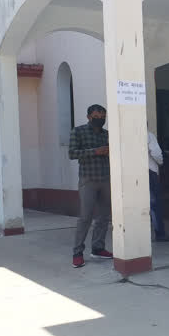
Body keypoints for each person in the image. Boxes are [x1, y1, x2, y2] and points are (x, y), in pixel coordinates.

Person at [68, 104, 113, 268]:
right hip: (88, 179)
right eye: (96, 116)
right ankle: (77, 252)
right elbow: (72, 153)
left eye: (103, 117)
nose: (100, 119)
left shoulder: (107, 134)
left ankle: (98, 248)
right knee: (85, 217)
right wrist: (95, 151)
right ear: (89, 117)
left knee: (104, 217)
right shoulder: (78, 131)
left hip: (106, 178)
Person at [148, 131, 169, 242]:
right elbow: (156, 153)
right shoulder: (148, 135)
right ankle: (160, 233)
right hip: (149, 171)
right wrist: (161, 162)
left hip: (133, 173)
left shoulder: (127, 135)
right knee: (155, 204)